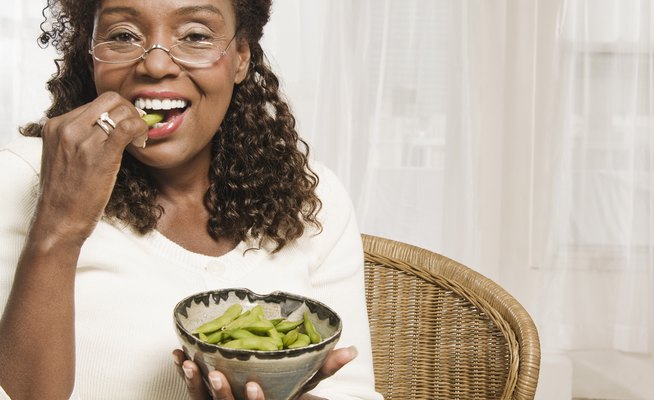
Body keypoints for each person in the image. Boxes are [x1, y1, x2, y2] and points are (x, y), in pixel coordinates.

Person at [0, 0, 382, 399]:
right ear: (89, 52)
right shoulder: (18, 179)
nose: (156, 65)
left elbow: (351, 392)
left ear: (240, 57)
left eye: (196, 35)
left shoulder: (312, 197)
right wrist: (59, 227)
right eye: (123, 36)